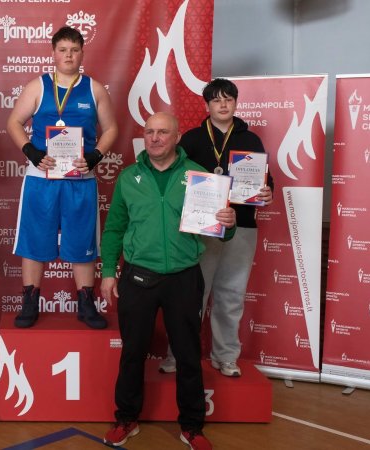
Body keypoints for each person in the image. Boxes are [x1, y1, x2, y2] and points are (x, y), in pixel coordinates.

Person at [101, 112, 236, 449]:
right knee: (132, 352)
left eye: (163, 132)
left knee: (188, 355)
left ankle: (192, 427)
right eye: (150, 132)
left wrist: (228, 222)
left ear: (176, 137)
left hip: (184, 277)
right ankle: (126, 418)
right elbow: (114, 228)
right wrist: (108, 271)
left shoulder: (198, 176)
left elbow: (221, 232)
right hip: (138, 276)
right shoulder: (129, 177)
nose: (155, 138)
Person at [159, 78, 274, 377]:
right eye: (216, 100)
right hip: (200, 228)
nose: (223, 105)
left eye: (228, 99)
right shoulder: (192, 139)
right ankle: (177, 354)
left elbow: (266, 181)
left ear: (236, 103)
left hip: (242, 225)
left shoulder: (251, 141)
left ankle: (226, 356)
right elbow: (173, 178)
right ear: (207, 105)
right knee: (191, 296)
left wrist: (266, 192)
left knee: (231, 294)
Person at [7, 26, 118, 329]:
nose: (69, 55)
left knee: (83, 239)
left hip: (80, 177)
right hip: (41, 176)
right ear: (53, 53)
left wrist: (96, 155)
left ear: (82, 53)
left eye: (74, 50)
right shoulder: (37, 86)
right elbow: (14, 122)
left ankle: (86, 304)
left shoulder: (94, 89)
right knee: (34, 237)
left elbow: (111, 129)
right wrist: (30, 150)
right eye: (63, 50)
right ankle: (30, 302)